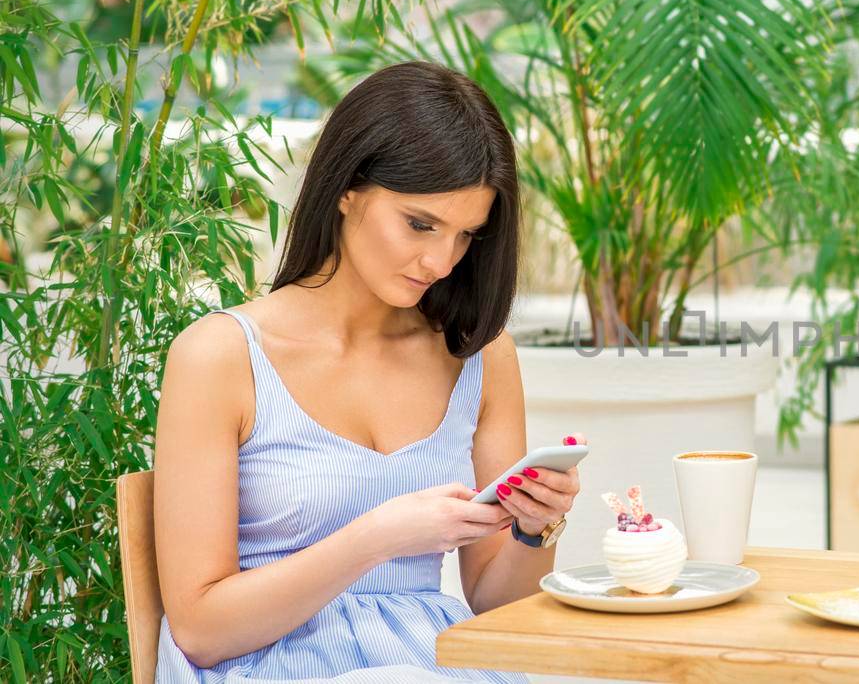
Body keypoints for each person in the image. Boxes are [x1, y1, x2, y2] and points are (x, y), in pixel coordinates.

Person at [153, 61, 576, 682]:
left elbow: (494, 605)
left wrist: (535, 532)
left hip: (432, 663)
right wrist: (373, 538)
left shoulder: (479, 356)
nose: (440, 260)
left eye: (466, 237)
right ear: (347, 189)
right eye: (419, 224)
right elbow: (200, 630)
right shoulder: (221, 355)